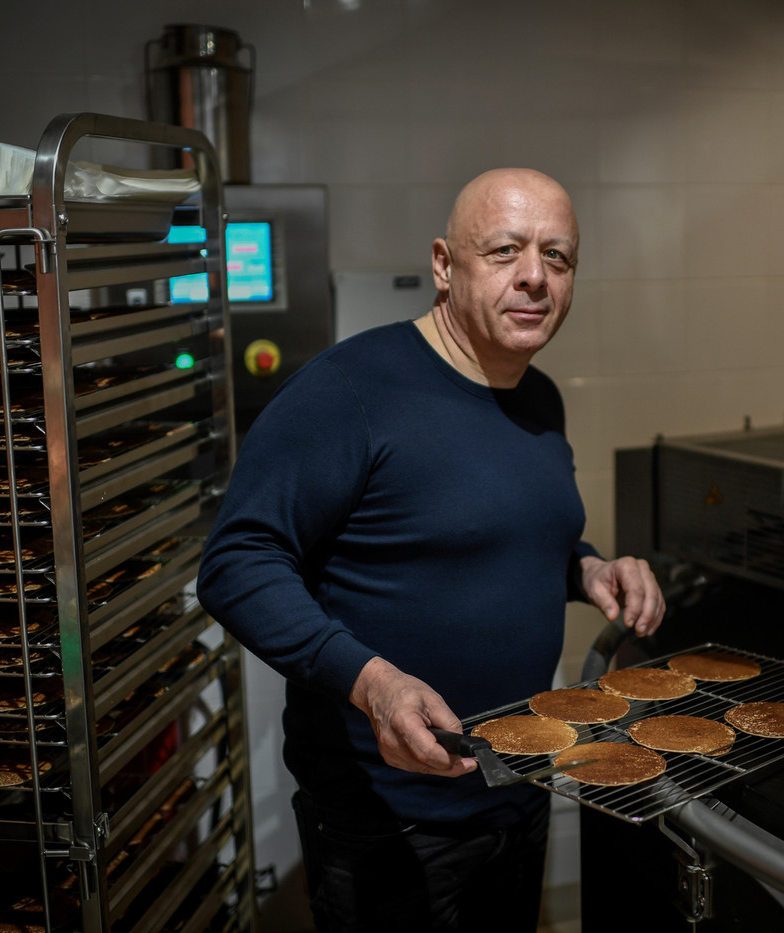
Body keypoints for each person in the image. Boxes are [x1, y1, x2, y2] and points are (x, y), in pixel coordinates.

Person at [197, 167, 665, 933]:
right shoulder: (350, 391)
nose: (534, 278)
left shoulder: (539, 397)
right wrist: (372, 682)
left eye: (558, 257)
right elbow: (236, 561)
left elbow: (502, 531)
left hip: (518, 783)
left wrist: (587, 567)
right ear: (445, 265)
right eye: (506, 250)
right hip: (388, 818)